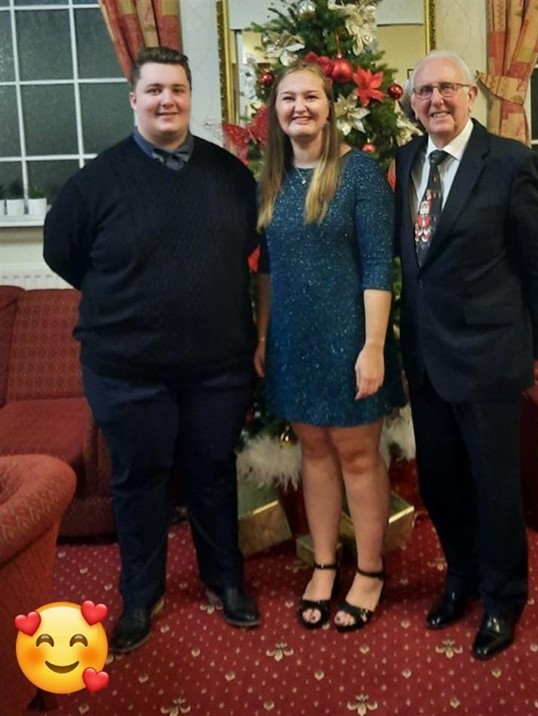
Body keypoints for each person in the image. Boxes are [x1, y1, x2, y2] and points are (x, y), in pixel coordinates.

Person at [43, 46, 261, 654]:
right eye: (155, 90)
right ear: (134, 99)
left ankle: (226, 582)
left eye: (178, 90)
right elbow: (62, 253)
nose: (168, 100)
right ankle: (141, 597)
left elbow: (242, 249)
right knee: (139, 482)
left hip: (216, 368)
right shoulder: (95, 182)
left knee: (214, 476)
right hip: (127, 372)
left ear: (191, 98)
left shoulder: (231, 176)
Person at [393, 50, 538, 659]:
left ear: (471, 95)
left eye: (446, 88)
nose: (435, 99)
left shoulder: (511, 163)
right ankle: (460, 578)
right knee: (440, 485)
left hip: (490, 358)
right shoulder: (407, 159)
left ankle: (503, 598)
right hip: (428, 358)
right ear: (413, 103)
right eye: (424, 91)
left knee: (494, 488)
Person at [254, 61, 403, 632]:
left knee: (359, 455)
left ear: (329, 105)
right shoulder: (271, 179)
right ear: (276, 112)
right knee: (312, 451)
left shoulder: (359, 174)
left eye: (310, 97)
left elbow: (376, 267)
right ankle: (323, 562)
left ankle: (369, 570)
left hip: (349, 337)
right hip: (292, 339)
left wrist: (373, 347)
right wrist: (263, 334)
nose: (300, 107)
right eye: (288, 98)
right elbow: (265, 266)